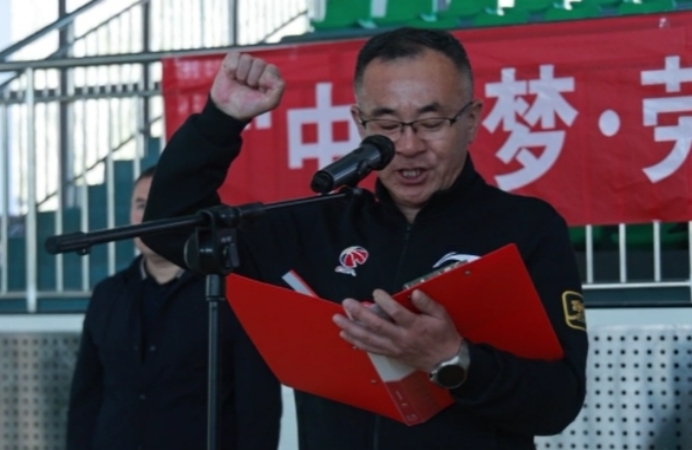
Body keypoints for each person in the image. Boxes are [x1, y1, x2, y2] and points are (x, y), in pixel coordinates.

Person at [142, 27, 588, 450]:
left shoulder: (526, 229)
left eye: (431, 122)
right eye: (387, 125)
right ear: (360, 123)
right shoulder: (315, 226)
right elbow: (169, 228)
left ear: (471, 121)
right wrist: (219, 121)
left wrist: (451, 358)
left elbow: (558, 402)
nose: (408, 146)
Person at [66, 166, 281, 450]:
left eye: (160, 205)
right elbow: (86, 398)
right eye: (140, 205)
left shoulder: (226, 294)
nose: (148, 217)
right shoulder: (107, 295)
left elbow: (258, 404)